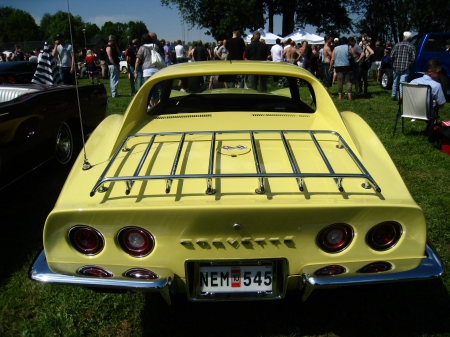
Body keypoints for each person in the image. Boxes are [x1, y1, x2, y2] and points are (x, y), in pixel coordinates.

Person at [135, 33, 163, 107]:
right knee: (156, 90)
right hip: (157, 70)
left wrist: (136, 71)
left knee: (149, 90)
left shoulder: (142, 48)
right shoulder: (155, 46)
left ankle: (151, 106)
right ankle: (156, 105)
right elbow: (161, 57)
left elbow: (138, 61)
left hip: (147, 71)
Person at [391, 31, 415, 101]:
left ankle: (393, 95)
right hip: (405, 67)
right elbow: (413, 59)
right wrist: (409, 65)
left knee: (395, 82)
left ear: (403, 37)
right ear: (409, 38)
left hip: (396, 66)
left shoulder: (397, 45)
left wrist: (394, 62)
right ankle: (400, 97)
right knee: (403, 83)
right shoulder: (412, 46)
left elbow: (392, 56)